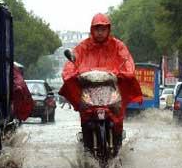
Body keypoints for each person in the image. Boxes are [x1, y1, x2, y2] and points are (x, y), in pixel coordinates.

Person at [59, 13, 142, 146]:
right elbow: (71, 64)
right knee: (84, 116)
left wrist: (125, 72)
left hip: (112, 89)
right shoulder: (83, 47)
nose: (100, 32)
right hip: (89, 91)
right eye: (97, 29)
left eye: (103, 29)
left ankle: (118, 138)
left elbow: (127, 61)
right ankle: (86, 140)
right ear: (92, 30)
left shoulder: (118, 46)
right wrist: (70, 74)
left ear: (108, 30)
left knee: (118, 116)